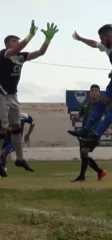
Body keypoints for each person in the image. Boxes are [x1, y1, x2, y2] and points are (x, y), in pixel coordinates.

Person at [0, 20, 58, 172]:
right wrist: (30, 35)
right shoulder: (4, 54)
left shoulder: (21, 56)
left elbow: (40, 52)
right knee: (2, 127)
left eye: (18, 40)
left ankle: (20, 159)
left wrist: (48, 39)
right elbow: (17, 49)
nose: (17, 43)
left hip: (13, 95)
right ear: (7, 44)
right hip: (1, 94)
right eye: (14, 40)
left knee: (17, 127)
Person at [70, 84, 109, 182]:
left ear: (99, 93)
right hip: (84, 133)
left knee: (84, 152)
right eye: (92, 91)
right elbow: (79, 117)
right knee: (84, 155)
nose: (94, 92)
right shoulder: (85, 105)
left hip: (94, 133)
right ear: (89, 93)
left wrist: (107, 128)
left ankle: (83, 176)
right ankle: (99, 172)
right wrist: (75, 118)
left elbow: (107, 118)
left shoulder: (101, 106)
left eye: (96, 91)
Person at [0, 112, 36, 177]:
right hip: (4, 140)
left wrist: (28, 134)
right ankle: (3, 169)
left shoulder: (23, 116)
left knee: (3, 153)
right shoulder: (4, 116)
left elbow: (33, 122)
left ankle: (3, 169)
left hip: (14, 142)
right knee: (3, 155)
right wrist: (8, 129)